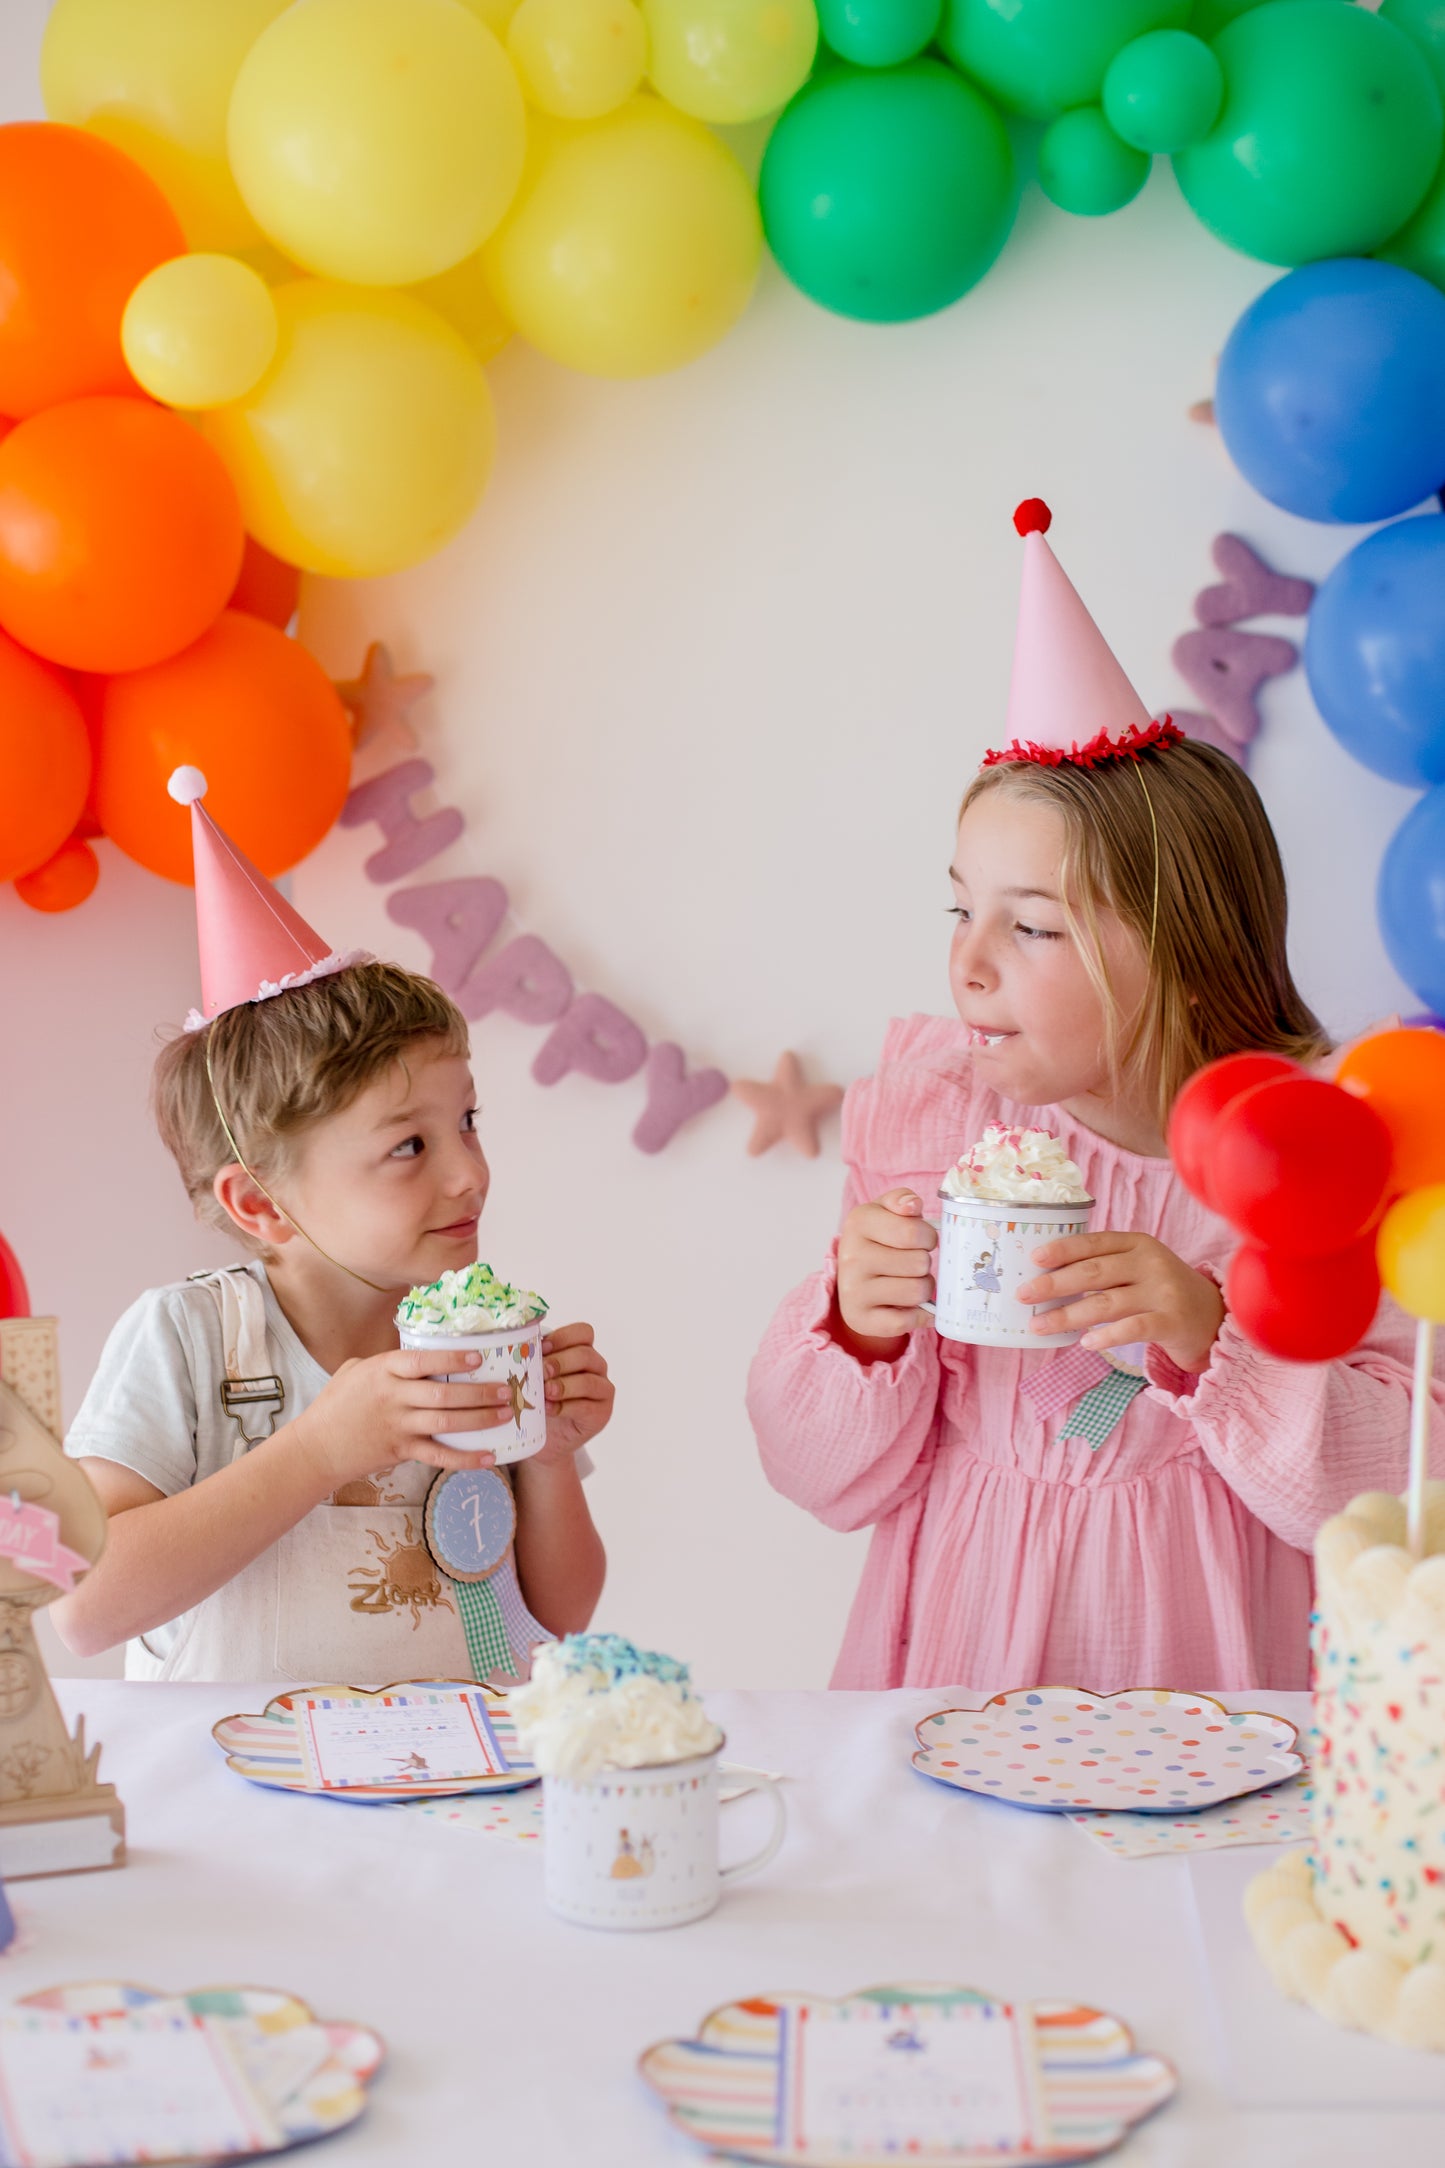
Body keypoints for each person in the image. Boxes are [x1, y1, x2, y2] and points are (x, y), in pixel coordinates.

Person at [748, 501, 1444, 1695]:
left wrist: (1204, 1332)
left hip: (1214, 1678)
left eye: (1027, 925)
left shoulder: (1322, 1155)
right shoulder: (941, 1125)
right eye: (958, 909)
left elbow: (1394, 1493)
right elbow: (822, 1478)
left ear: (1179, 947)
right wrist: (860, 1324)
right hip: (961, 1661)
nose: (967, 962)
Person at [52, 771, 611, 1682]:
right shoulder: (187, 1339)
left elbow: (557, 1615)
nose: (469, 1172)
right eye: (408, 1147)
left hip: (451, 1783)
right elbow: (82, 1606)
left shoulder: (478, 1340)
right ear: (260, 1204)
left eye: (467, 1122)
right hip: (243, 1802)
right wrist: (320, 1448)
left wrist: (547, 1459)